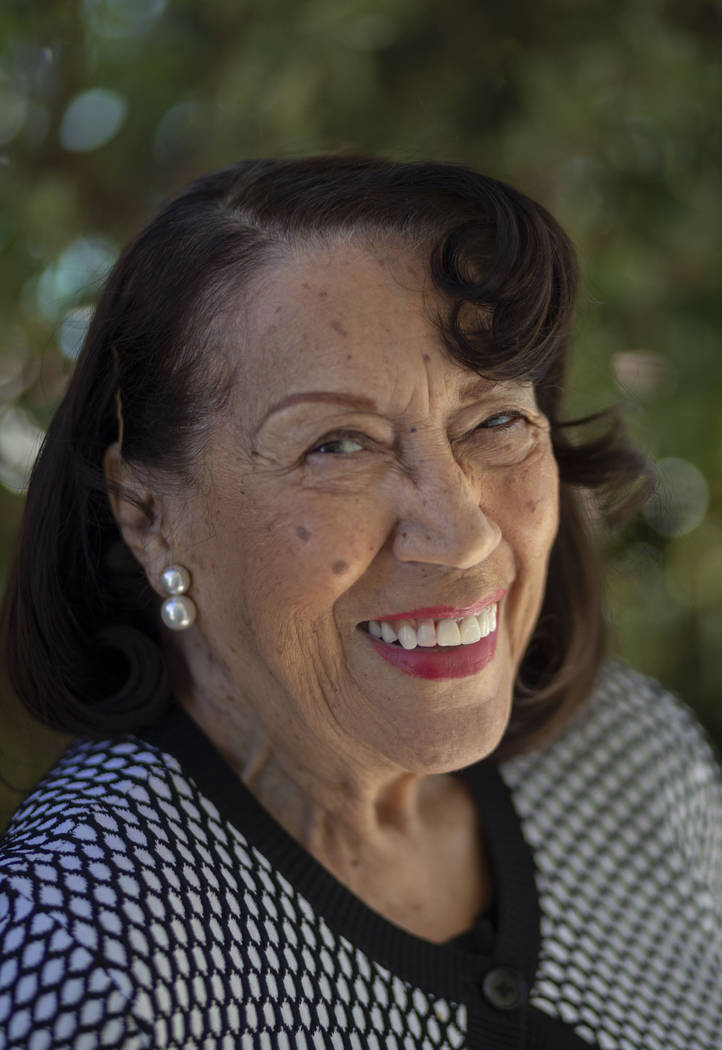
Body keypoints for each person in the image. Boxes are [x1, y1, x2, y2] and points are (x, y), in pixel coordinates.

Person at [0, 156, 720, 1050]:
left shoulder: (630, 754)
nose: (460, 536)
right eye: (339, 445)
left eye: (495, 421)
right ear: (149, 516)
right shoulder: (81, 959)